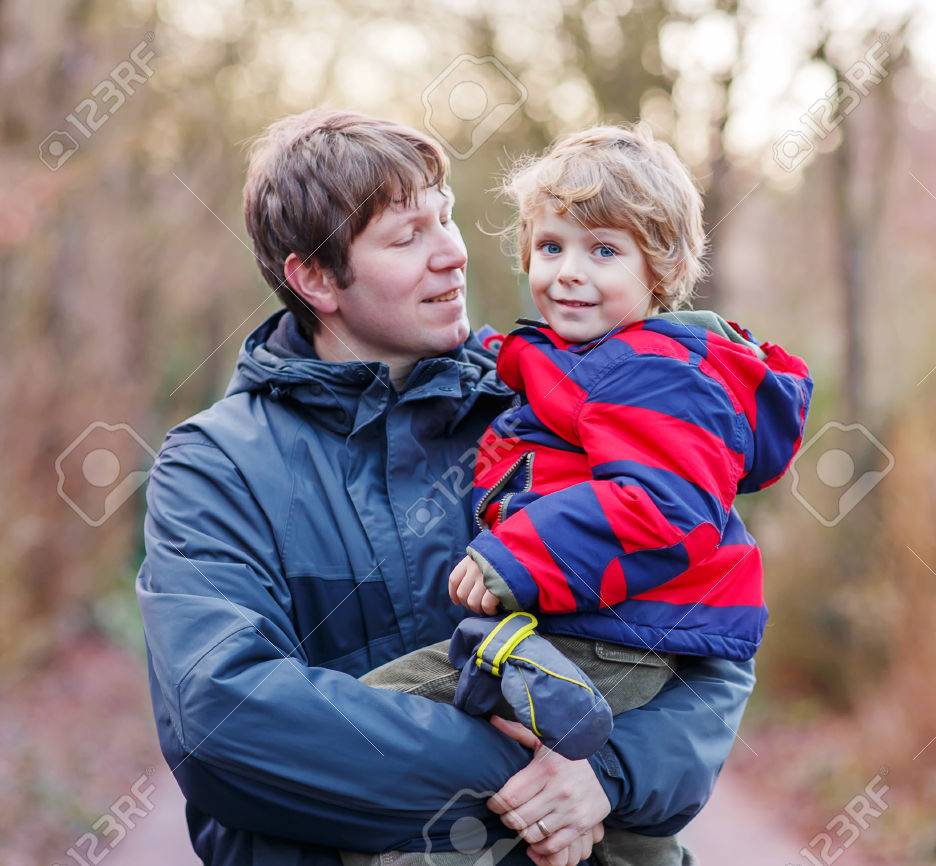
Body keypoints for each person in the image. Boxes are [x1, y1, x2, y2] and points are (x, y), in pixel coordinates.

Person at [135, 109, 755, 866]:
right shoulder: (216, 467)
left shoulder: (552, 401)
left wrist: (609, 775)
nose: (454, 255)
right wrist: (534, 779)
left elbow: (710, 633)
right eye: (408, 238)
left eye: (447, 218)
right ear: (314, 278)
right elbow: (222, 722)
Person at [347, 125, 813, 866]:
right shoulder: (587, 362)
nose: (569, 272)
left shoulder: (658, 373)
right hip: (604, 626)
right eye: (553, 246)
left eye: (604, 251)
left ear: (659, 271)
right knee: (617, 837)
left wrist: (515, 556)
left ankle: (544, 712)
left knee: (376, 713)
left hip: (612, 634)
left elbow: (664, 507)